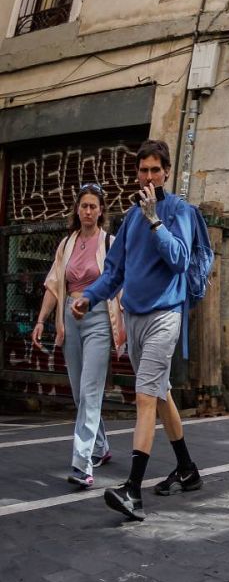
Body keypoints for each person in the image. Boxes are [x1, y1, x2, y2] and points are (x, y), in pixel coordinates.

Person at [75, 140, 204, 522]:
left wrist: (155, 220)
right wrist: (88, 296)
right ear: (138, 173)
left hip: (165, 315)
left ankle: (132, 490)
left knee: (144, 396)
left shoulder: (178, 210)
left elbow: (180, 259)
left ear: (165, 171)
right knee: (160, 393)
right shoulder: (130, 218)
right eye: (143, 170)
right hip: (134, 317)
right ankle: (188, 468)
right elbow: (114, 271)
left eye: (155, 170)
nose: (149, 176)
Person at [34, 184, 123, 489]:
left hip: (98, 316)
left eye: (93, 207)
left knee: (91, 389)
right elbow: (54, 284)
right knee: (78, 392)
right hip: (70, 318)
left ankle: (82, 463)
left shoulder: (109, 242)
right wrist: (42, 319)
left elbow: (118, 281)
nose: (87, 211)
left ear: (101, 211)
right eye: (83, 206)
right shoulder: (67, 244)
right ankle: (100, 447)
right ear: (77, 209)